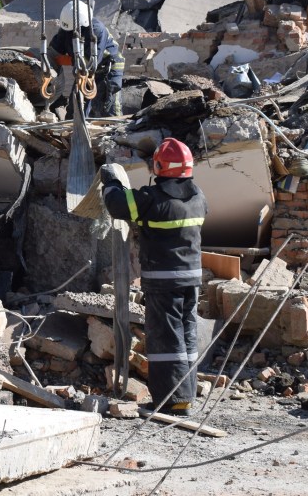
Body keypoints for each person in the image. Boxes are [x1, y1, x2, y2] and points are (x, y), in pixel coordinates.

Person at [99, 138, 207, 417]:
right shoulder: (198, 197)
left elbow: (117, 205)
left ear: (159, 166)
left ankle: (171, 400)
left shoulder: (152, 199)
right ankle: (185, 395)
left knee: (165, 339)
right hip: (192, 279)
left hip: (164, 280)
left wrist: (111, 181)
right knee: (187, 335)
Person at [49, 0, 125, 116]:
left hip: (108, 67)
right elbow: (53, 51)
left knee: (108, 105)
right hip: (84, 68)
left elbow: (92, 61)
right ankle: (71, 130)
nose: (72, 33)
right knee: (74, 107)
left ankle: (116, 132)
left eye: (76, 29)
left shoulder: (96, 30)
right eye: (70, 30)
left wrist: (75, 64)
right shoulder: (67, 29)